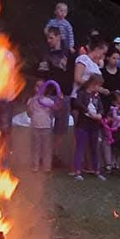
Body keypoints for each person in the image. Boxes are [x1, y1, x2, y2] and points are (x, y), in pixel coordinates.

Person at [39, 27, 74, 168]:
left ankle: (53, 154)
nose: (49, 41)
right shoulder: (46, 55)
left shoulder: (68, 53)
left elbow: (71, 73)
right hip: (50, 94)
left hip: (64, 94)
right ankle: (44, 155)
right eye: (48, 38)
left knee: (61, 128)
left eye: (51, 37)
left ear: (59, 36)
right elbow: (42, 74)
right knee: (46, 126)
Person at [71, 74, 106, 180]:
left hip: (94, 125)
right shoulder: (82, 93)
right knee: (80, 147)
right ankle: (77, 170)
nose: (99, 88)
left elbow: (101, 108)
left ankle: (96, 170)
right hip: (83, 124)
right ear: (93, 84)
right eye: (98, 85)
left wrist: (100, 115)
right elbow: (78, 104)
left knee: (94, 148)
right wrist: (88, 112)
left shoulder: (96, 96)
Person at [27, 78, 64, 172]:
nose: (39, 88)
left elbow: (57, 108)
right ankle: (35, 166)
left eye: (41, 86)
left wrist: (60, 99)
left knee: (46, 148)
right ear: (34, 88)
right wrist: (33, 102)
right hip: (35, 127)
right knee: (35, 147)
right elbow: (29, 113)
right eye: (37, 86)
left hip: (46, 127)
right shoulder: (31, 100)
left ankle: (46, 167)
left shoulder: (48, 100)